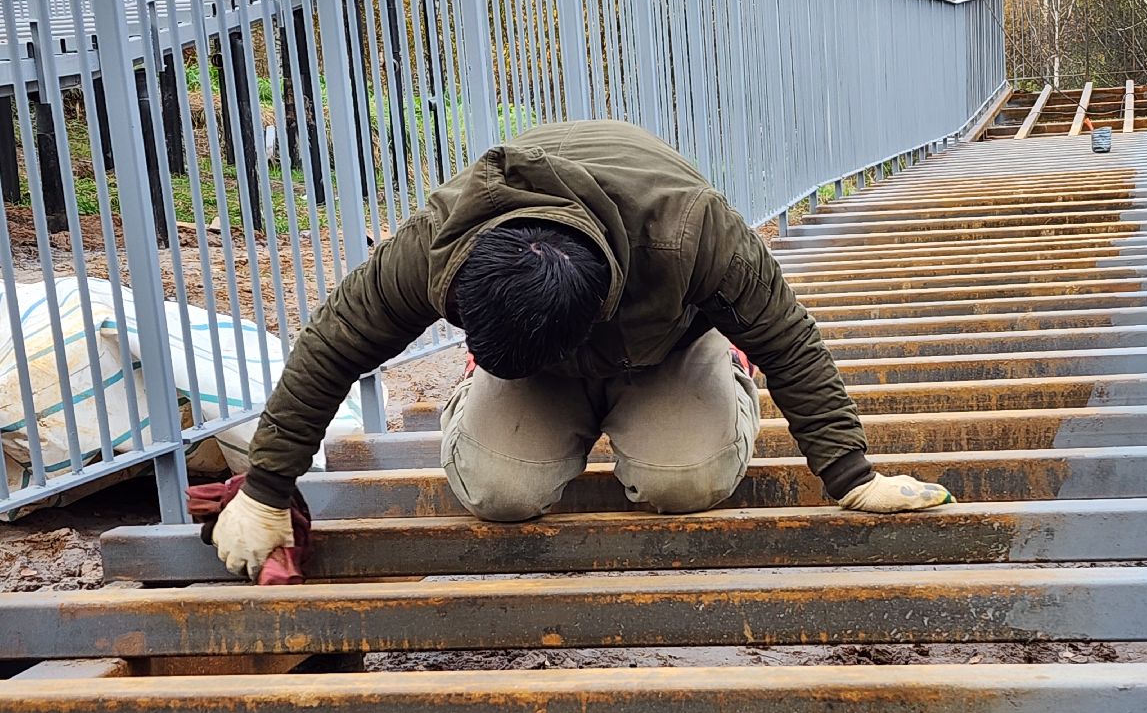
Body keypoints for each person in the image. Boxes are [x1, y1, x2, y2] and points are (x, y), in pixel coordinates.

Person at [211, 120, 952, 579]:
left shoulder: (690, 230)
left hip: (663, 346)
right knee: (498, 496)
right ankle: (498, 387)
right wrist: (267, 491)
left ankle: (722, 367)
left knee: (684, 484)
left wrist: (850, 474)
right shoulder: (437, 240)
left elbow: (788, 336)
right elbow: (332, 344)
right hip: (541, 358)